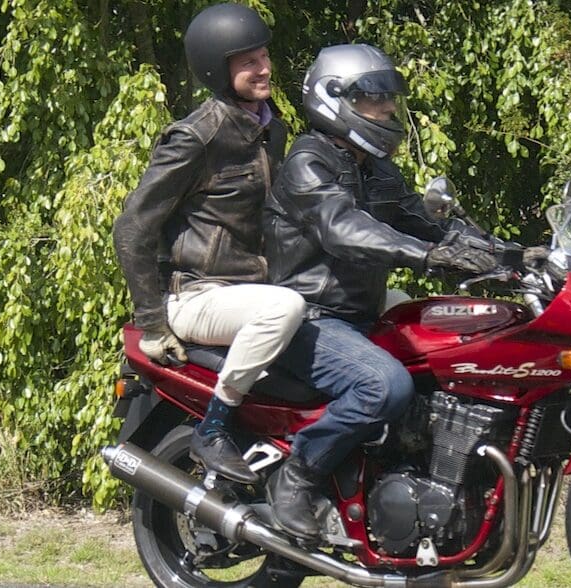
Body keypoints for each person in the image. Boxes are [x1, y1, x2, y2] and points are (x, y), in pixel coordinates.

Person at [262, 43, 509, 541]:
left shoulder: (378, 170)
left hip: (361, 317)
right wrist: (423, 256)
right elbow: (344, 227)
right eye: (376, 98)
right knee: (384, 386)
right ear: (336, 99)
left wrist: (516, 257)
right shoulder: (307, 164)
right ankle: (298, 475)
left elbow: (428, 225)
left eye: (390, 98)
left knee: (459, 354)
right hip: (309, 318)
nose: (390, 109)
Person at [112, 3, 305, 485]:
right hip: (197, 294)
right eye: (248, 62)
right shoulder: (196, 136)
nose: (263, 68)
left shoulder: (269, 128)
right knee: (284, 308)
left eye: (264, 56)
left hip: (251, 291)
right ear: (218, 71)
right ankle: (214, 428)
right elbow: (132, 227)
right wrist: (152, 322)